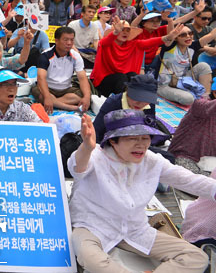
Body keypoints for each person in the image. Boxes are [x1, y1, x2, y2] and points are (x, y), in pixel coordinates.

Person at [69, 110, 214, 273]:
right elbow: (77, 168)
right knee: (90, 258)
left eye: (145, 138)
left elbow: (188, 180)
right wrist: (86, 147)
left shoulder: (152, 160)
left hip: (133, 229)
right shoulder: (95, 155)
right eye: (132, 138)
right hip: (92, 226)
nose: (141, 145)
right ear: (113, 141)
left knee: (196, 257)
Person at [91, 17, 181, 97]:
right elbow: (104, 42)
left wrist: (168, 37)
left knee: (134, 77)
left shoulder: (133, 44)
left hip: (122, 81)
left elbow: (150, 42)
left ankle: (137, 102)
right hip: (103, 82)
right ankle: (122, 104)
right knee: (121, 77)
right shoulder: (106, 44)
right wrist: (116, 32)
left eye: (127, 30)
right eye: (122, 30)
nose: (125, 32)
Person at [32, 27, 91, 113]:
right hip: (49, 88)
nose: (69, 43)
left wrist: (86, 97)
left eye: (71, 40)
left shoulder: (76, 56)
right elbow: (41, 78)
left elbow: (82, 78)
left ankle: (54, 103)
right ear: (56, 40)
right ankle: (71, 107)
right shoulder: (45, 55)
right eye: (65, 40)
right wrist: (47, 97)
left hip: (66, 89)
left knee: (83, 96)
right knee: (41, 94)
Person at [168, 79, 216, 175]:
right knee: (195, 179)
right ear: (215, 93)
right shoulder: (199, 105)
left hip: (209, 162)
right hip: (185, 157)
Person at [157, 25, 212, 106]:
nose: (188, 36)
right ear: (175, 37)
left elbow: (211, 35)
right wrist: (169, 21)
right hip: (164, 85)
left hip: (182, 80)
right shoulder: (169, 47)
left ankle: (205, 99)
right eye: (183, 35)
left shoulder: (191, 46)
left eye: (190, 33)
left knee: (204, 66)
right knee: (188, 99)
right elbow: (169, 37)